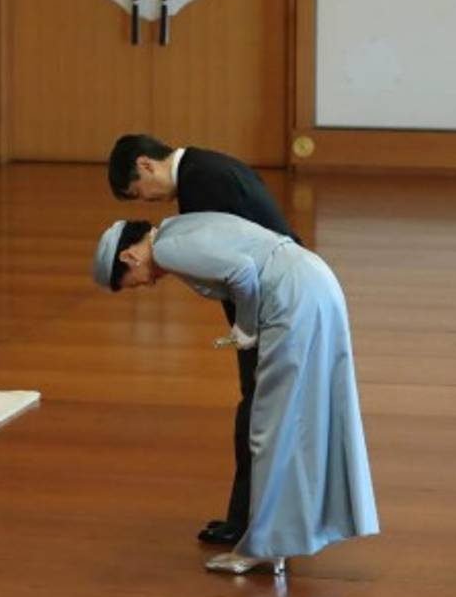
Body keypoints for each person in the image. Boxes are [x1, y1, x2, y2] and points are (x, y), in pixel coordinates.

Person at [92, 213, 379, 574]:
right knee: (308, 410)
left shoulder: (165, 250)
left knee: (268, 427)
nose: (146, 285)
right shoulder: (176, 225)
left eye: (134, 282)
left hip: (290, 297)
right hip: (314, 280)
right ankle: (284, 535)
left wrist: (244, 328)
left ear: (127, 258)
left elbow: (241, 272)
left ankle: (264, 544)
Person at [107, 134, 297, 546]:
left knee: (258, 416)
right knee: (259, 413)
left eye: (139, 192)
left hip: (271, 306)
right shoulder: (209, 166)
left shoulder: (201, 183)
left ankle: (253, 524)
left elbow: (237, 267)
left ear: (145, 165)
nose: (148, 202)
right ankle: (249, 518)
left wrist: (245, 330)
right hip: (278, 296)